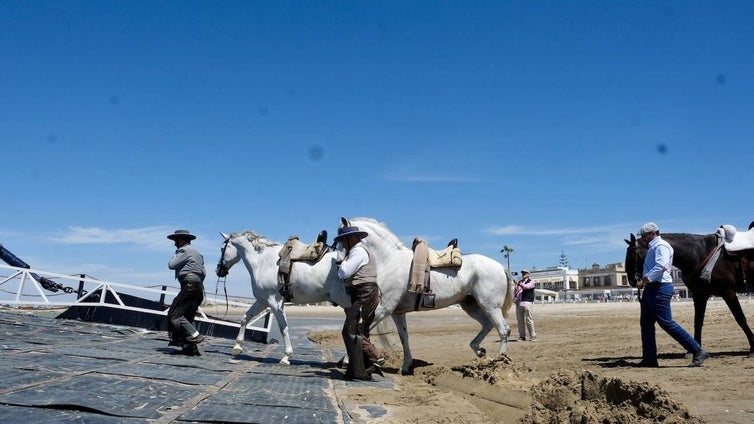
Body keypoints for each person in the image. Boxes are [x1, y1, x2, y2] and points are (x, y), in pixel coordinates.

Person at [635, 222, 709, 367]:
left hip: (660, 287)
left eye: (644, 236)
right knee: (646, 323)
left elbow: (661, 266)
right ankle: (649, 358)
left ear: (652, 234)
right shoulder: (653, 247)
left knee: (666, 322)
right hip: (652, 288)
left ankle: (698, 350)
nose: (642, 239)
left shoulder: (661, 246)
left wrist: (644, 280)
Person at [335, 225, 383, 381]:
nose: (342, 245)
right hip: (365, 293)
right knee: (360, 330)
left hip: (364, 294)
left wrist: (344, 260)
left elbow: (343, 273)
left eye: (343, 241)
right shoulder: (359, 250)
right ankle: (360, 370)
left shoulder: (357, 251)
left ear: (351, 239)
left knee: (350, 331)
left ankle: (375, 357)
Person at [167, 229, 207, 356]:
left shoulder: (184, 251)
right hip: (199, 287)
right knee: (188, 316)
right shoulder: (198, 254)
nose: (175, 244)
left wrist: (176, 253)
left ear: (182, 240)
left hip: (189, 286)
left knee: (174, 314)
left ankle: (195, 335)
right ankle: (189, 347)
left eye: (176, 241)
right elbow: (203, 273)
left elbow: (171, 265)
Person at [515, 270, 537, 341]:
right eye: (522, 273)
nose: (523, 274)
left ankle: (533, 335)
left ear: (528, 274)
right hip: (519, 303)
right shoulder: (520, 282)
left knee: (529, 319)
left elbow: (526, 287)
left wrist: (519, 284)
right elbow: (517, 291)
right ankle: (522, 336)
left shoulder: (531, 281)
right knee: (520, 320)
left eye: (524, 273)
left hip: (527, 302)